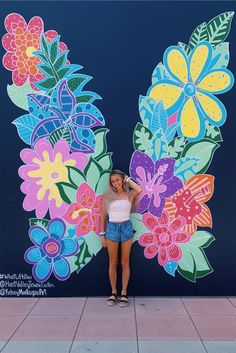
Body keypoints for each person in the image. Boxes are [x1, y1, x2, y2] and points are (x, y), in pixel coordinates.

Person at [100, 170, 141, 307]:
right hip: (111, 229)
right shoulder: (107, 196)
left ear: (121, 180)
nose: (115, 183)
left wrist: (127, 179)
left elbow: (139, 189)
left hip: (126, 229)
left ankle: (124, 292)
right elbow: (102, 217)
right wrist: (102, 235)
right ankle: (113, 292)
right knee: (112, 262)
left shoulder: (129, 194)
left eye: (117, 180)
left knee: (125, 263)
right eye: (112, 181)